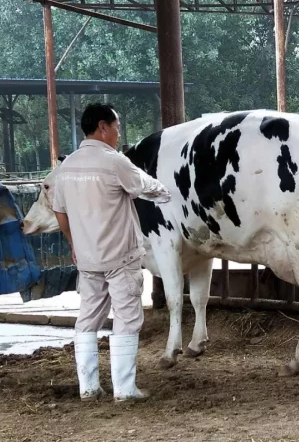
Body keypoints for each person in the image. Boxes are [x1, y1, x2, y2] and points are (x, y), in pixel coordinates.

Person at [52, 103, 171, 402]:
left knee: (88, 319)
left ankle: (88, 388)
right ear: (103, 127)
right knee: (127, 319)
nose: (118, 134)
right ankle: (125, 389)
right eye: (117, 128)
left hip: (88, 258)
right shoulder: (114, 161)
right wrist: (165, 192)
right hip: (120, 256)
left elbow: (59, 211)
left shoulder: (66, 167)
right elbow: (143, 185)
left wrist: (73, 244)